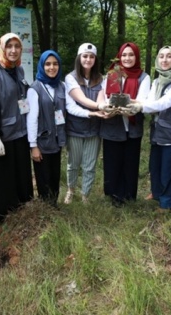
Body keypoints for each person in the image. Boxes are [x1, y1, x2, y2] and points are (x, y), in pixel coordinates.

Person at [0, 33, 33, 222]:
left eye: (17, 46)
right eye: (9, 46)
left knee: (21, 175)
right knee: (4, 178)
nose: (13, 50)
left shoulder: (18, 71)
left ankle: (22, 211)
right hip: (3, 136)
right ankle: (4, 217)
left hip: (20, 132)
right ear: (2, 48)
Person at [136, 46, 171, 211]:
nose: (164, 60)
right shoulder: (158, 81)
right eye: (161, 57)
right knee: (155, 165)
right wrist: (133, 103)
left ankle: (168, 202)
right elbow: (150, 100)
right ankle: (157, 193)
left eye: (168, 57)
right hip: (157, 131)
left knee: (169, 168)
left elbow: (162, 104)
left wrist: (136, 107)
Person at [98, 42, 151, 206]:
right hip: (113, 125)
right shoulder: (112, 75)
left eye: (131, 55)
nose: (127, 58)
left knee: (130, 162)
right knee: (112, 161)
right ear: (119, 56)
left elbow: (142, 100)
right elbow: (105, 98)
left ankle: (129, 196)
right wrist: (109, 106)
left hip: (133, 127)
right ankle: (113, 195)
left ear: (136, 56)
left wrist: (126, 102)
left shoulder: (144, 77)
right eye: (124, 55)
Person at [64, 43, 108, 204]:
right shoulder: (70, 78)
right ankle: (71, 190)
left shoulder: (101, 79)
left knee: (90, 165)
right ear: (79, 58)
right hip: (75, 129)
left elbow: (101, 99)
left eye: (91, 56)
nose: (88, 59)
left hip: (94, 130)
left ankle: (85, 194)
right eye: (85, 56)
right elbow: (76, 104)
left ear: (95, 59)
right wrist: (96, 110)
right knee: (73, 164)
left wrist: (104, 108)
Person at [27, 50, 66, 206]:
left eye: (55, 64)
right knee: (44, 176)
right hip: (42, 142)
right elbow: (31, 119)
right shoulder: (34, 89)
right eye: (48, 64)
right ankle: (45, 208)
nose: (52, 67)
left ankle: (54, 204)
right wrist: (33, 146)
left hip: (56, 141)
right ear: (42, 66)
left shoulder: (61, 86)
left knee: (55, 175)